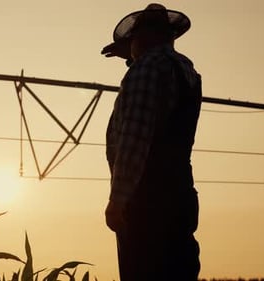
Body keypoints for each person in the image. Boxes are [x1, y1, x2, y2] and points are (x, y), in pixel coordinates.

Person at [101, 3, 202, 281]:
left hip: (146, 202)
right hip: (180, 195)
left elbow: (135, 139)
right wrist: (133, 56)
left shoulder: (146, 68)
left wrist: (117, 200)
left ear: (142, 37)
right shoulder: (185, 70)